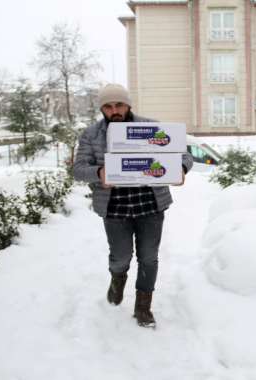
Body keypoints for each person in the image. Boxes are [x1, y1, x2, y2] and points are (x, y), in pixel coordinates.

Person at [73, 83, 193, 328]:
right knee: (121, 257)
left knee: (149, 258)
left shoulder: (150, 127)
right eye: (108, 106)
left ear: (128, 105)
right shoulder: (91, 135)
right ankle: (117, 281)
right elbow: (78, 169)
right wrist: (99, 172)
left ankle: (143, 307)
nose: (114, 110)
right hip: (115, 208)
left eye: (119, 104)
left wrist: (180, 168)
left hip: (150, 204)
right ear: (102, 109)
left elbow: (183, 153)